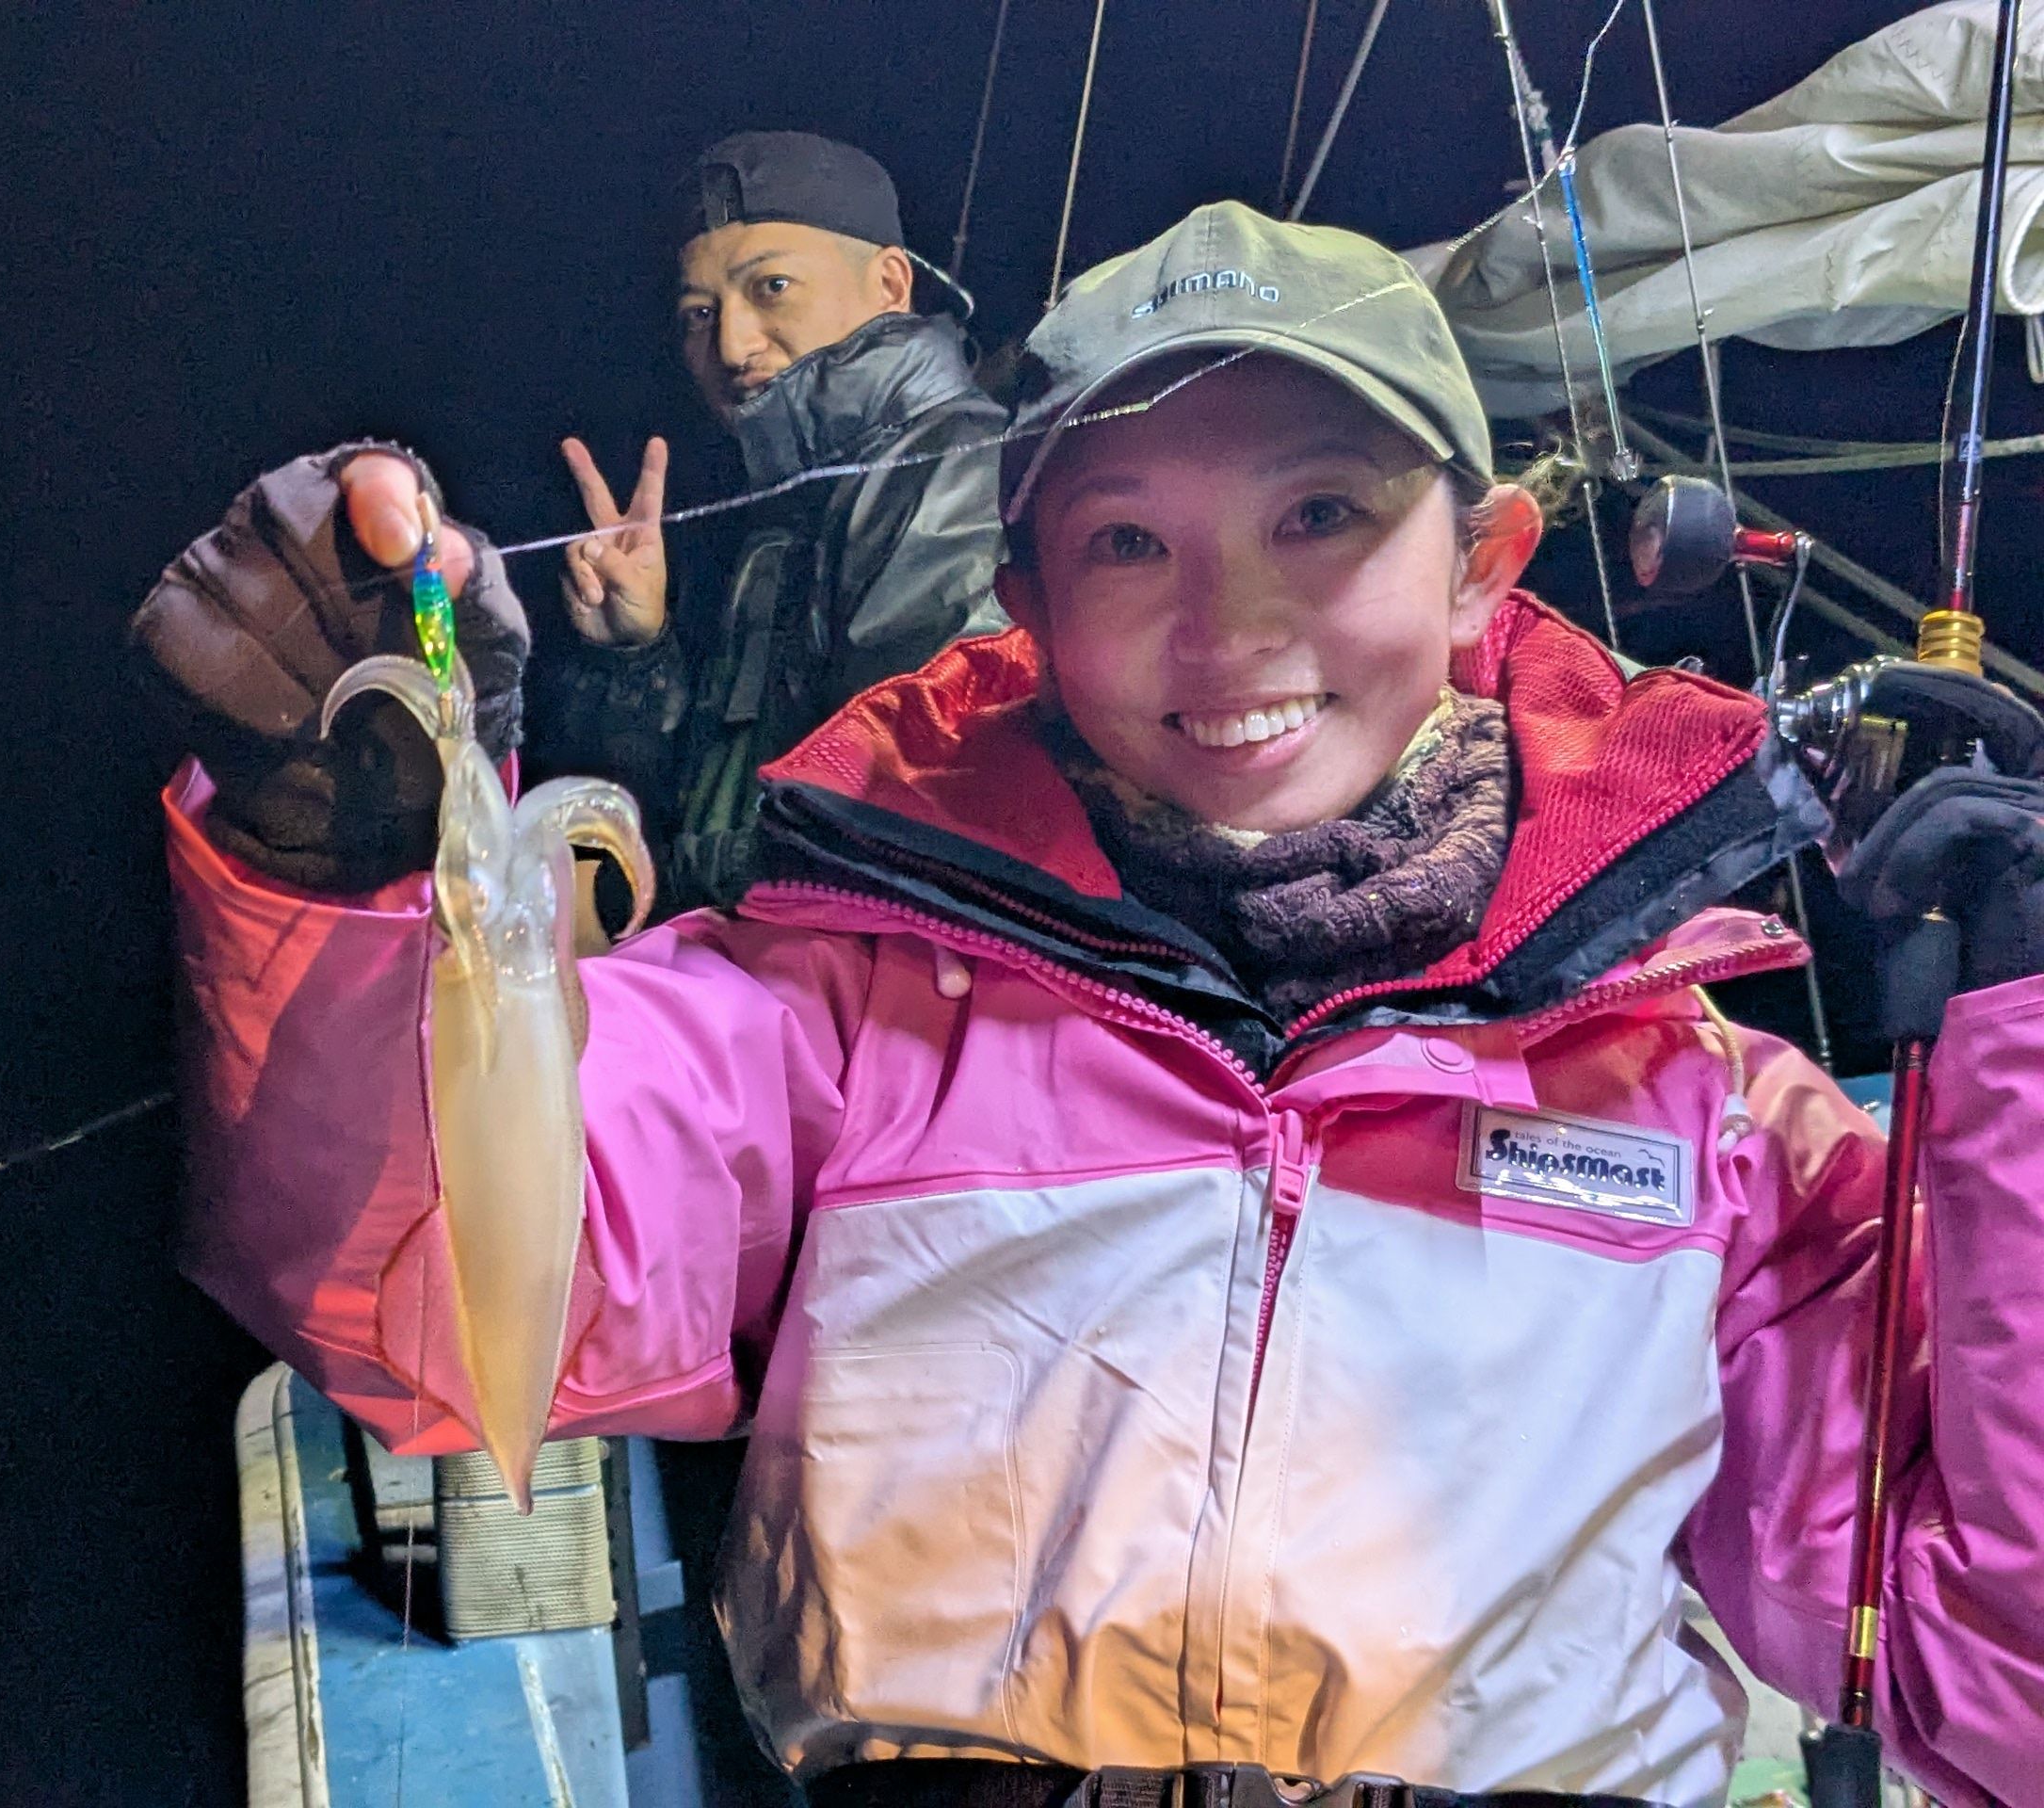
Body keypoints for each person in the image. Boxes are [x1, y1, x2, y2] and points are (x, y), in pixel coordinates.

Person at [159, 203, 2044, 1803]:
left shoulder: (1710, 1120)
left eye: (1321, 513)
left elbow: (1994, 1685)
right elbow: (419, 1283)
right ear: (1026, 602)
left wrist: (2031, 1050)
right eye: (1128, 541)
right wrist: (345, 846)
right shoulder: (837, 1013)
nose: (1228, 626)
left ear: (1481, 565)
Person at [530, 128, 1008, 913]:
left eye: (773, 287)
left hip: (821, 970)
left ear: (891, 284)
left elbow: (912, 823)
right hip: (730, 963)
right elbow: (686, 807)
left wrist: (651, 915)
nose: (731, 344)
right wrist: (631, 659)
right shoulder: (778, 498)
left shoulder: (949, 465)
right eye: (699, 313)